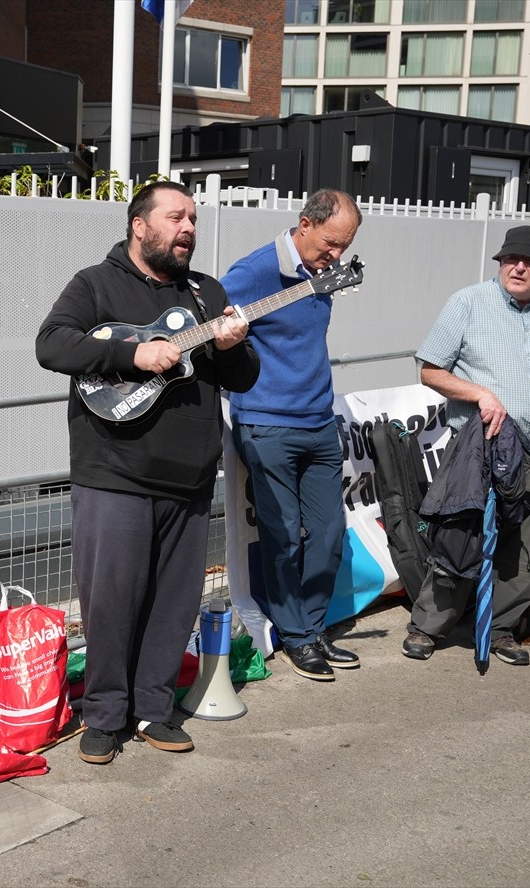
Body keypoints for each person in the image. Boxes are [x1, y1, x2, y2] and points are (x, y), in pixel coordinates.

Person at [36, 180, 260, 765]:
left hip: (189, 478)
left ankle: (155, 709)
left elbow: (243, 378)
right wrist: (132, 355)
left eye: (193, 219)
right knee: (110, 601)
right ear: (139, 225)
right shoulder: (95, 284)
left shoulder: (208, 294)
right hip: (114, 474)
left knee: (174, 602)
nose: (188, 228)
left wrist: (233, 345)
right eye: (175, 217)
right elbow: (53, 345)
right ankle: (105, 716)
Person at [401, 225, 530, 666]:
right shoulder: (467, 303)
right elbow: (431, 371)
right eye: (510, 259)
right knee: (461, 537)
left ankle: (501, 628)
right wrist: (482, 394)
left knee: (525, 542)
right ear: (501, 262)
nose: (518, 267)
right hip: (477, 446)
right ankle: (428, 627)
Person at [221, 189, 363, 682]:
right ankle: (298, 638)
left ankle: (314, 626)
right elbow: (214, 334)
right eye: (330, 242)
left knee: (328, 534)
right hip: (266, 423)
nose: (336, 255)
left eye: (345, 246)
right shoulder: (254, 271)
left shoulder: (322, 273)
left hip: (319, 422)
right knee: (282, 539)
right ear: (304, 223)